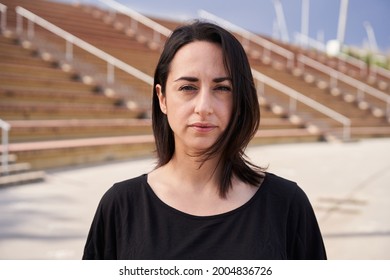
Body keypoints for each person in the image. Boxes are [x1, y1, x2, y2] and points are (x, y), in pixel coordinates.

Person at [82, 21, 327, 260]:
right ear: (162, 98)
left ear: (240, 99)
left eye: (222, 88)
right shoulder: (120, 206)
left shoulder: (286, 204)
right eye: (188, 87)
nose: (204, 107)